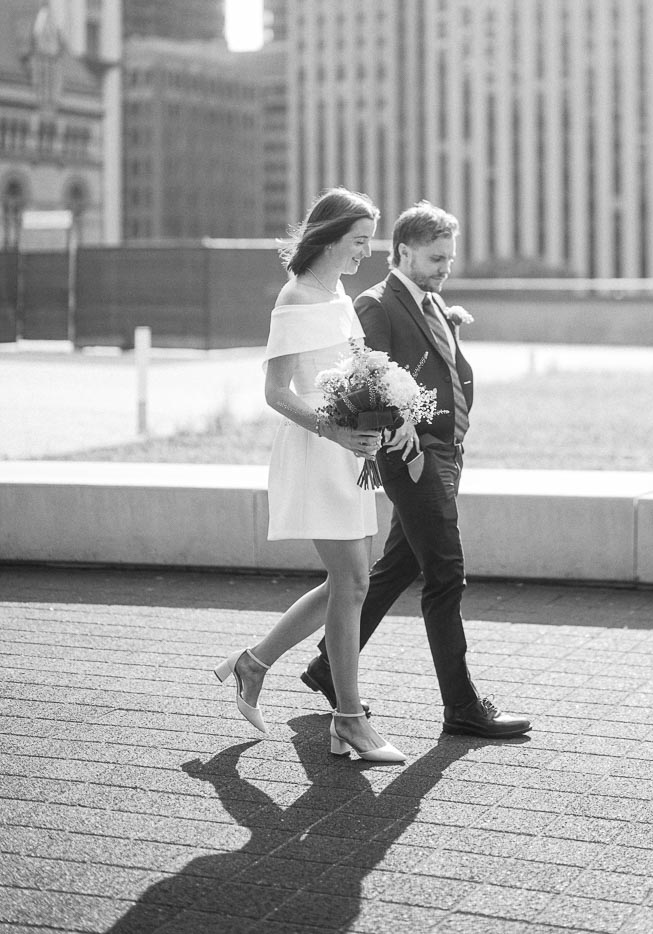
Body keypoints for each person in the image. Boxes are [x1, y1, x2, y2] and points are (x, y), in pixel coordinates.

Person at [302, 201, 532, 739]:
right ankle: (462, 706)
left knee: (400, 566)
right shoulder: (377, 304)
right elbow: (366, 378)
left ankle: (327, 665)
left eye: (449, 258)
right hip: (412, 455)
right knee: (446, 573)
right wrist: (402, 422)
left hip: (447, 451)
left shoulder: (431, 302)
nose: (445, 268)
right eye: (435, 259)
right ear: (403, 252)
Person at [214, 187, 406, 763]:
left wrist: (384, 415)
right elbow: (277, 392)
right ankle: (348, 717)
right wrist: (337, 431)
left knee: (348, 582)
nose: (366, 253)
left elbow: (356, 373)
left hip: (350, 452)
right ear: (329, 238)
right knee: (352, 582)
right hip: (318, 451)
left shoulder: (338, 293)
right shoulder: (296, 296)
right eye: (359, 241)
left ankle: (254, 663)